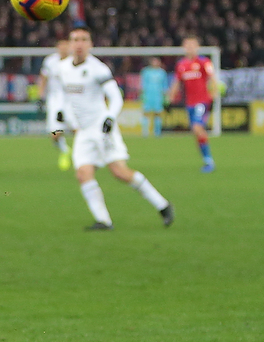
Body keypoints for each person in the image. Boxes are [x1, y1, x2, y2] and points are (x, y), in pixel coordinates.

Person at [59, 27, 173, 230]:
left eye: (84, 39)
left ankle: (162, 205)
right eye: (75, 39)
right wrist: (64, 117)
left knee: (120, 172)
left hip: (101, 127)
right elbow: (67, 97)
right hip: (83, 131)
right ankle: (103, 221)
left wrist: (109, 118)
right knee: (83, 174)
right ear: (69, 44)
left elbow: (115, 97)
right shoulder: (63, 68)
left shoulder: (98, 69)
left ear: (90, 44)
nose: (79, 44)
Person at [168, 36, 218, 172]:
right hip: (189, 103)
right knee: (197, 132)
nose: (190, 48)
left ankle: (209, 161)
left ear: (197, 47)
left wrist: (214, 93)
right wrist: (171, 96)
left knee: (197, 127)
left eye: (192, 45)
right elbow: (177, 82)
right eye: (187, 45)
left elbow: (212, 78)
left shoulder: (204, 62)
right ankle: (206, 159)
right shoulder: (181, 65)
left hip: (202, 101)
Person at [39, 38, 74, 170]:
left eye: (66, 45)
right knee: (55, 134)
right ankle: (65, 150)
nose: (63, 48)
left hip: (71, 100)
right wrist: (40, 96)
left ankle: (83, 154)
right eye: (61, 45)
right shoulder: (50, 61)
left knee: (78, 129)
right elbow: (43, 79)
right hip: (54, 100)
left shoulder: (74, 61)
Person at [139, 57, 168, 137]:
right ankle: (145, 132)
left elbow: (164, 85)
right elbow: (143, 84)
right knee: (146, 113)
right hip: (148, 95)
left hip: (158, 96)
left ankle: (157, 132)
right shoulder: (146, 72)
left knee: (157, 113)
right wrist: (142, 94)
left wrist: (165, 95)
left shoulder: (162, 73)